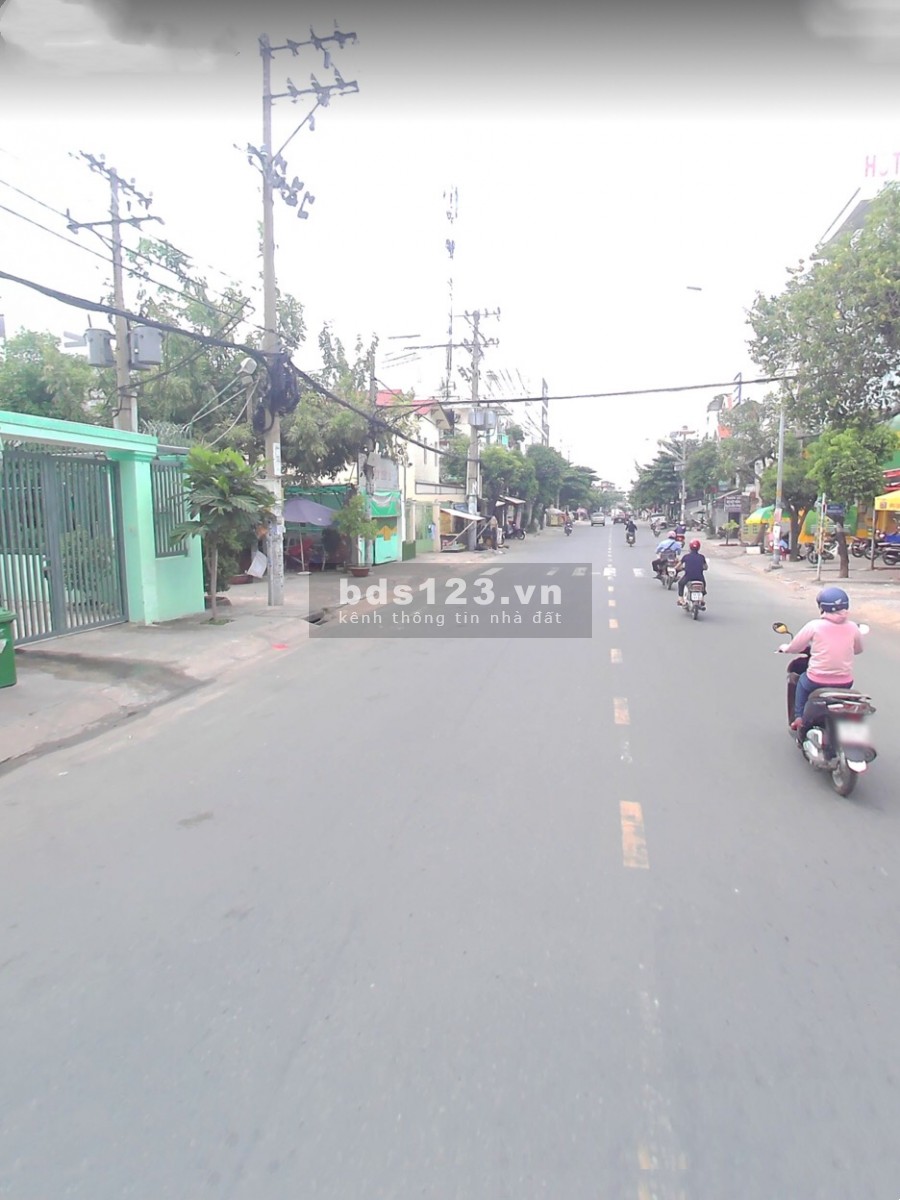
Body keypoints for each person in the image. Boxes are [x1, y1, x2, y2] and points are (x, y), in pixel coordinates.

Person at [779, 587, 865, 732]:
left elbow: (795, 647)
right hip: (845, 682)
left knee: (801, 682)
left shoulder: (814, 626)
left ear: (822, 606)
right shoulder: (853, 627)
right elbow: (858, 650)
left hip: (815, 680)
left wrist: (785, 648)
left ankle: (799, 718)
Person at [677, 538, 708, 606]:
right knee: (703, 585)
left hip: (688, 577)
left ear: (690, 547)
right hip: (699, 577)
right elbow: (706, 567)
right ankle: (702, 599)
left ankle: (680, 599)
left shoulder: (686, 557)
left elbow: (678, 566)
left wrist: (681, 568)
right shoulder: (702, 557)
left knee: (680, 583)